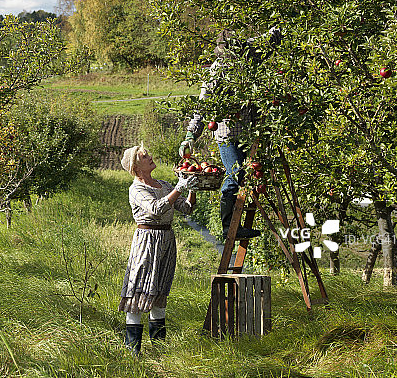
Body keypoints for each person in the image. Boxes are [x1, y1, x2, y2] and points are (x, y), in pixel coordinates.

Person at [178, 27, 281, 240]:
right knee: (235, 175)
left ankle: (239, 224)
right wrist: (191, 135)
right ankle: (228, 227)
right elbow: (203, 106)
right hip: (228, 134)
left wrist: (286, 21)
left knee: (253, 175)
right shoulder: (218, 71)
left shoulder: (250, 52)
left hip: (252, 131)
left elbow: (270, 37)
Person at [118, 143, 197, 355]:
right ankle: (132, 351)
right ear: (136, 167)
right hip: (147, 242)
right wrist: (179, 187)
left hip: (166, 241)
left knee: (160, 290)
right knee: (139, 290)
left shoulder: (162, 183)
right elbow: (156, 208)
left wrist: (192, 188)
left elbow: (186, 208)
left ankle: (159, 352)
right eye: (145, 156)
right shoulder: (136, 189)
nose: (150, 157)